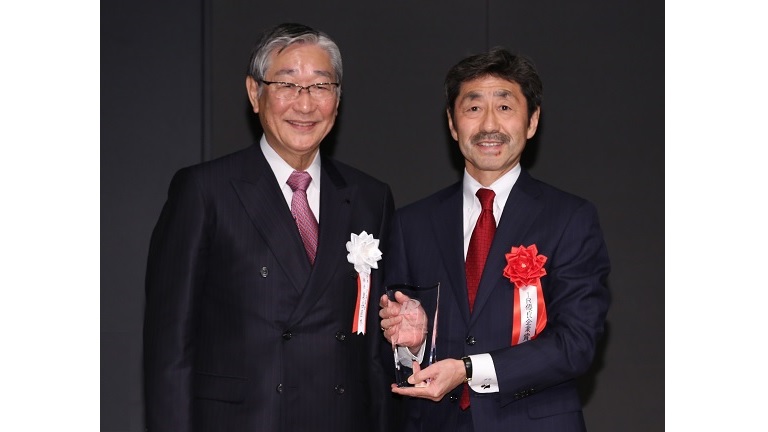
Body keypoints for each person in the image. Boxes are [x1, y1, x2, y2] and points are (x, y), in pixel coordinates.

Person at [143, 22, 397, 432]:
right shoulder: (206, 190)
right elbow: (169, 349)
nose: (305, 104)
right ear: (254, 93)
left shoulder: (369, 197)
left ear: (338, 98)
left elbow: (373, 351)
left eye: (320, 86)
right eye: (288, 84)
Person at [379, 47, 611, 431]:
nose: (489, 125)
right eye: (473, 108)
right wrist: (413, 345)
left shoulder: (570, 218)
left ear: (532, 121)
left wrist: (469, 369)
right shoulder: (412, 222)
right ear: (453, 125)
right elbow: (390, 352)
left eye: (505, 107)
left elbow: (576, 343)